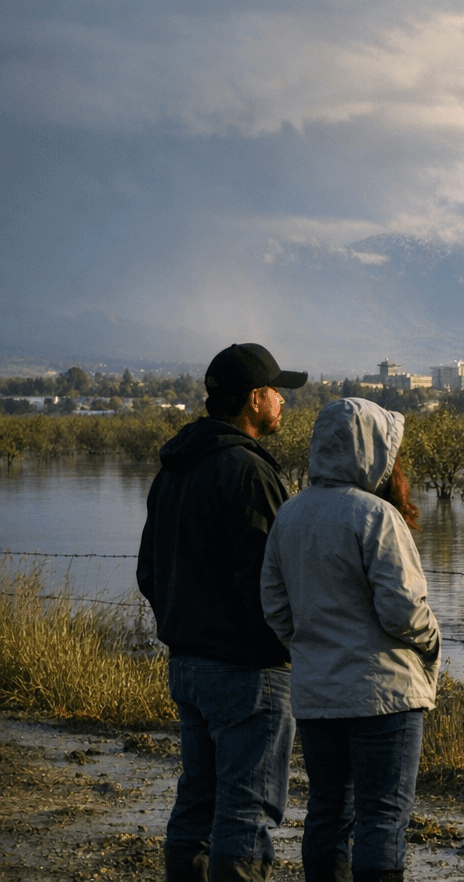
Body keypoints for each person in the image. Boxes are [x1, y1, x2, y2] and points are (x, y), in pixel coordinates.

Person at [138, 343, 308, 882]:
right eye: (276, 391)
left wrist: (183, 625)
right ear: (254, 399)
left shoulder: (175, 468)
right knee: (246, 810)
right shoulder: (249, 471)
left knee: (196, 802)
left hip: (187, 662)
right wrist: (280, 646)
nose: (283, 400)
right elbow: (271, 580)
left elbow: (149, 570)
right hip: (246, 670)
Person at [261, 397, 440, 882]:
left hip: (318, 695)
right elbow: (403, 611)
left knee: (326, 813)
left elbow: (276, 609)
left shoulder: (290, 515)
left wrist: (312, 648)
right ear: (374, 452)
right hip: (385, 696)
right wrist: (432, 642)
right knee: (383, 818)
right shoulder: (377, 517)